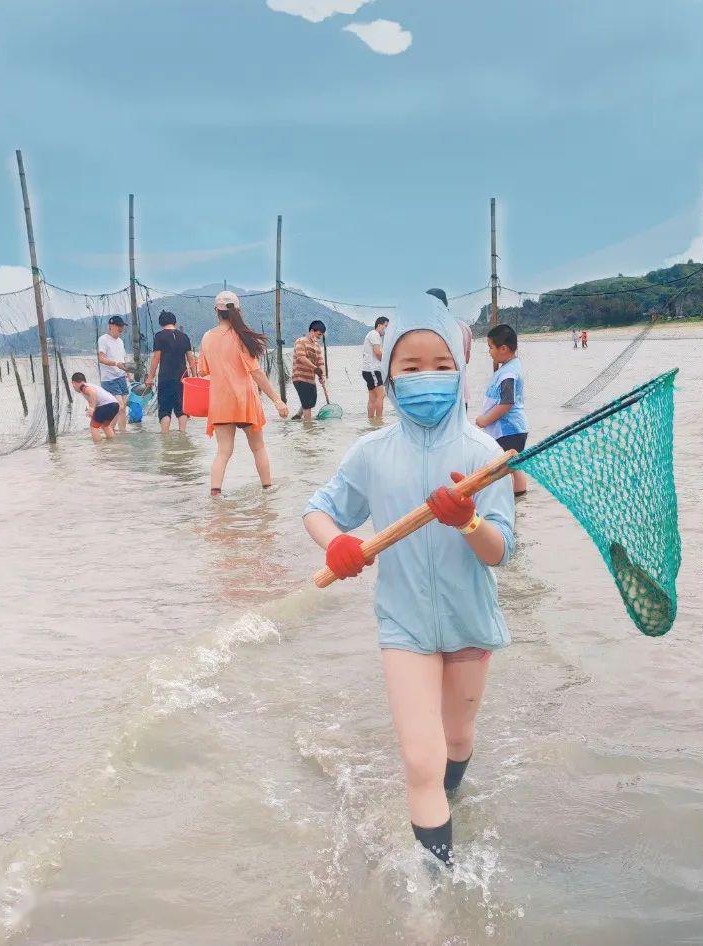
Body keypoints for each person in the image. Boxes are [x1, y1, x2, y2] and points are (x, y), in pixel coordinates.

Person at [304, 294, 515, 867]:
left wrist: (466, 521)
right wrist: (338, 544)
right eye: (411, 367)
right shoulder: (370, 453)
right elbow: (317, 509)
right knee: (420, 761)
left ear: (461, 370)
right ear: (389, 377)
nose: (427, 378)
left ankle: (450, 801)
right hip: (403, 627)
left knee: (457, 740)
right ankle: (436, 893)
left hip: (470, 620)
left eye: (441, 366)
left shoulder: (484, 454)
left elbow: (500, 552)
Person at [197, 291, 289, 496]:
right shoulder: (241, 337)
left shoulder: (206, 338)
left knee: (223, 452)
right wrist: (277, 400)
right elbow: (256, 372)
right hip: (245, 400)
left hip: (221, 402)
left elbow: (203, 371)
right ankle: (267, 491)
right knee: (258, 448)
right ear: (238, 310)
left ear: (216, 311)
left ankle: (215, 494)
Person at [476, 324, 530, 497]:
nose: (489, 352)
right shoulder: (509, 367)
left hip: (509, 430)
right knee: (513, 466)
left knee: (505, 466)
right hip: (513, 430)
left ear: (504, 348)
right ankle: (519, 499)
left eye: (491, 347)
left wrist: (485, 420)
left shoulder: (509, 373)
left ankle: (513, 497)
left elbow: (507, 403)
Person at [144, 310, 197, 433]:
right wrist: (194, 377)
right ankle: (183, 434)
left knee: (165, 409)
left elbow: (156, 358)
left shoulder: (159, 336)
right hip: (183, 378)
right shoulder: (184, 337)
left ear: (161, 323)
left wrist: (150, 377)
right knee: (182, 408)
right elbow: (191, 358)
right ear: (175, 322)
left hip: (165, 377)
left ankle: (165, 436)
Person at [97, 315, 130, 432]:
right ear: (111, 326)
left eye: (122, 326)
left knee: (123, 407)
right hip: (109, 379)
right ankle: (109, 429)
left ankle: (122, 433)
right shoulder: (103, 339)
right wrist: (116, 363)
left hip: (121, 377)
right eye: (119, 326)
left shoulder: (120, 341)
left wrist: (128, 374)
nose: (121, 329)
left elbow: (123, 360)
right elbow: (101, 358)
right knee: (118, 406)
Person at [291, 320, 327, 422]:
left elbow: (321, 362)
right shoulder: (300, 341)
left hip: (310, 378)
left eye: (321, 335)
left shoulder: (316, 346)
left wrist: (322, 375)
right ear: (312, 331)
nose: (319, 337)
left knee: (311, 401)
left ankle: (297, 417)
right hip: (299, 377)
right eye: (319, 334)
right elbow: (301, 357)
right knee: (307, 405)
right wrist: (315, 368)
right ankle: (308, 427)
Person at [71, 372, 119, 443]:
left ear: (74, 383)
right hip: (115, 404)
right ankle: (112, 445)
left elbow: (92, 393)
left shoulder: (82, 386)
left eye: (73, 385)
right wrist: (93, 409)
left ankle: (98, 448)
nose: (74, 387)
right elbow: (95, 398)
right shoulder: (90, 385)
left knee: (94, 427)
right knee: (105, 426)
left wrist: (92, 408)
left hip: (106, 405)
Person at [362, 316, 389, 419]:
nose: (386, 330)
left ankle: (371, 421)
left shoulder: (372, 335)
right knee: (380, 396)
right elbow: (377, 352)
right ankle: (379, 421)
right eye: (385, 326)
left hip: (368, 370)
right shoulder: (374, 334)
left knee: (373, 397)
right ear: (379, 325)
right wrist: (386, 363)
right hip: (372, 370)